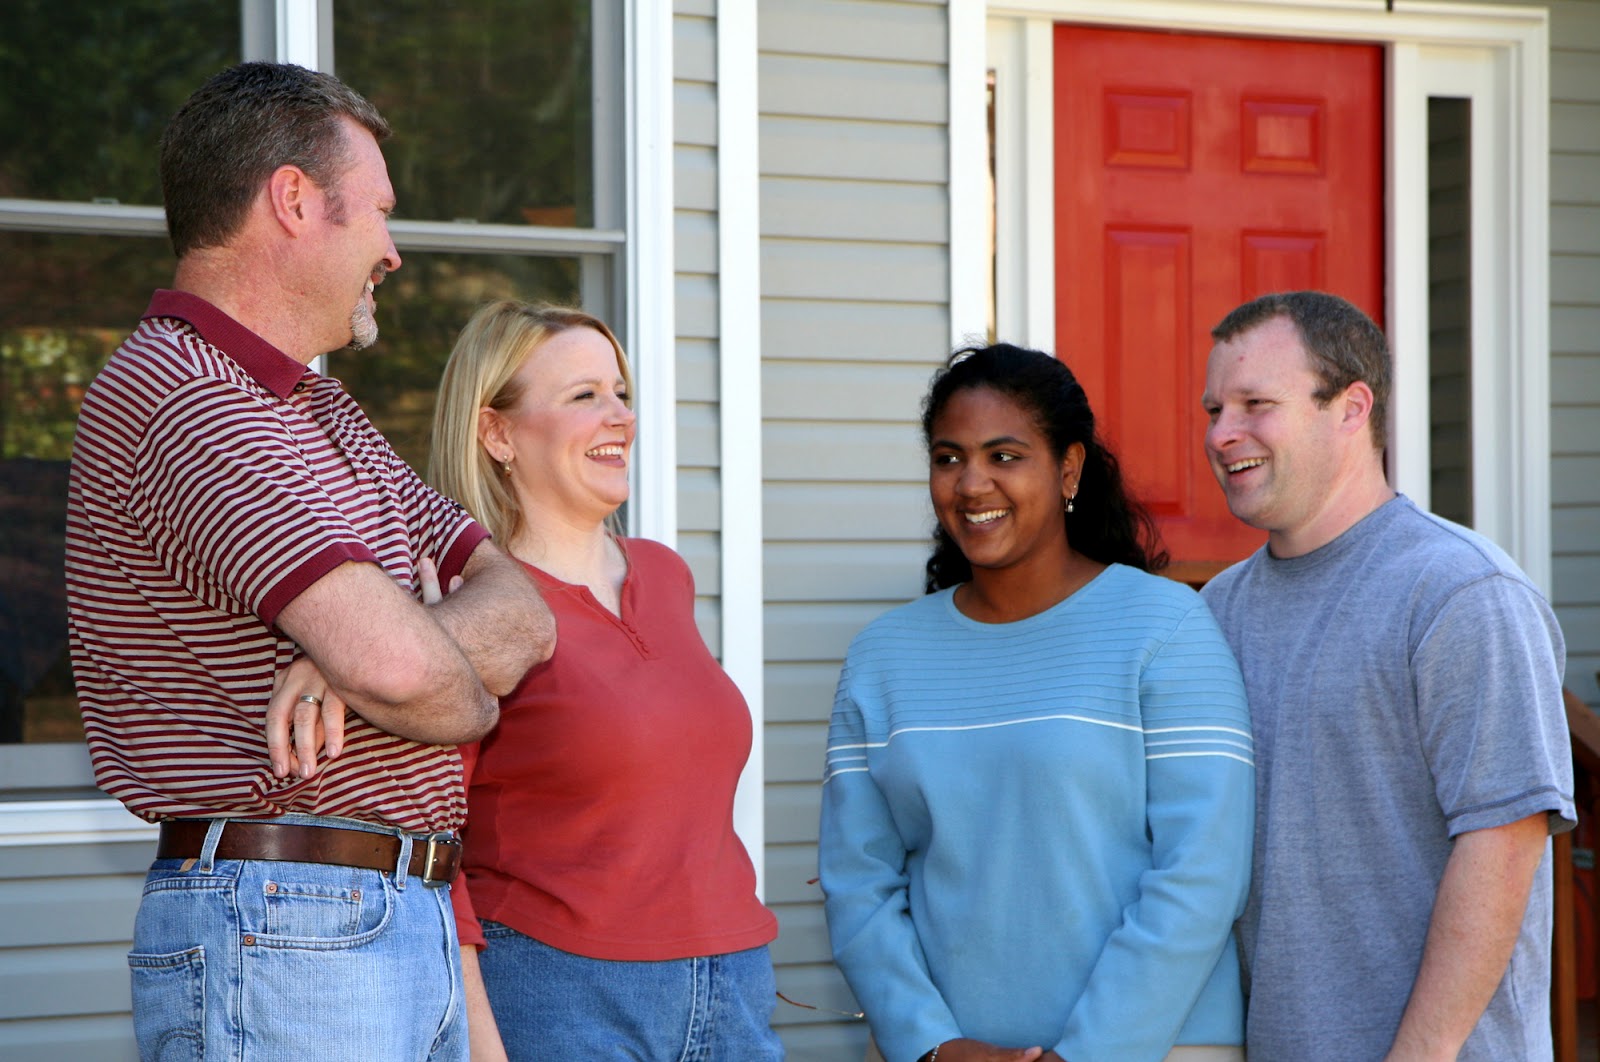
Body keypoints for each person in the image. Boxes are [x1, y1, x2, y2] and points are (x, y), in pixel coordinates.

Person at [64, 62, 554, 1061]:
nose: (395, 252)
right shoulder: (187, 399)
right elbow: (429, 687)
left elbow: (524, 607)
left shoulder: (322, 413)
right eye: (377, 212)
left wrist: (354, 654)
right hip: (284, 915)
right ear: (293, 200)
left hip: (372, 912)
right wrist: (421, 668)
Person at [820, 343, 1255, 1062]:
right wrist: (932, 1045)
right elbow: (858, 883)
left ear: (1069, 469)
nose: (971, 483)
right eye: (949, 458)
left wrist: (1090, 1053)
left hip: (1158, 1048)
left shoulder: (1164, 626)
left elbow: (1202, 872)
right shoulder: (883, 657)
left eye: (1005, 456)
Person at [1198, 290, 1574, 1061]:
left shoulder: (1459, 592)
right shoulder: (1217, 611)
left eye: (1255, 403)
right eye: (1213, 409)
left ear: (1351, 408)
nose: (1221, 433)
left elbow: (1503, 843)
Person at [425, 299, 783, 1060]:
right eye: (584, 396)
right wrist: (481, 1043)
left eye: (619, 391)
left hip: (733, 982)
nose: (618, 415)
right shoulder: (475, 609)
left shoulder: (665, 573)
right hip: (561, 991)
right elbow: (435, 842)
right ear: (497, 433)